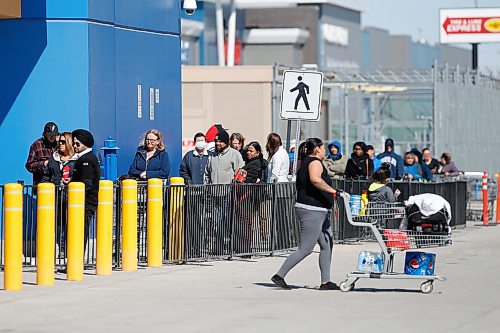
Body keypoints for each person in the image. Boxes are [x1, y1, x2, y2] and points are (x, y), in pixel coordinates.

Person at [271, 138, 338, 291]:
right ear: (317, 150)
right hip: (311, 209)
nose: (325, 150)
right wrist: (333, 191)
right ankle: (279, 275)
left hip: (319, 210)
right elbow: (315, 179)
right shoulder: (314, 162)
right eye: (323, 148)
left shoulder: (308, 161)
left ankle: (325, 281)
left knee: (327, 245)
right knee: (305, 248)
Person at [204, 129, 244, 255]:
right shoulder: (212, 155)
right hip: (214, 193)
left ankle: (233, 247)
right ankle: (219, 247)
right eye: (216, 141)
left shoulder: (234, 154)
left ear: (226, 142)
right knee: (216, 222)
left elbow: (241, 172)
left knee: (229, 221)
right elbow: (206, 173)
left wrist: (236, 187)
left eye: (220, 141)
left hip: (229, 193)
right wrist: (207, 187)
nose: (217, 143)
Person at [71, 129, 100, 254]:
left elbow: (86, 183)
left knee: (80, 230)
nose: (74, 146)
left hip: (84, 202)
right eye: (73, 143)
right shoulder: (84, 158)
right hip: (82, 202)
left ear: (85, 144)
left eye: (77, 144)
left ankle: (77, 260)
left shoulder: (87, 160)